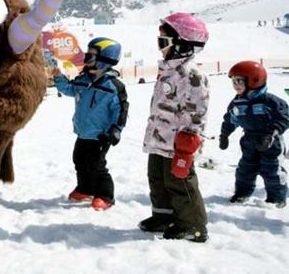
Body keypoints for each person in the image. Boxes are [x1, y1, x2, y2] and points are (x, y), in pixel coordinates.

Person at [139, 13, 210, 242]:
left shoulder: (192, 75)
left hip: (178, 143)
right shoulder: (168, 70)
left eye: (164, 42)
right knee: (157, 179)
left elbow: (197, 112)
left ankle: (193, 225)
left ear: (182, 45)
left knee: (180, 183)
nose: (160, 48)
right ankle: (163, 216)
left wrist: (187, 144)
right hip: (160, 138)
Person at [53, 37, 128, 211]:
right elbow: (69, 89)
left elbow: (121, 110)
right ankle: (85, 188)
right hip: (83, 132)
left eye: (90, 56)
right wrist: (59, 78)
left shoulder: (113, 86)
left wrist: (116, 130)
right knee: (79, 160)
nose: (86, 59)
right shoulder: (83, 80)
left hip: (101, 135)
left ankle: (105, 195)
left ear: (104, 60)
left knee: (96, 165)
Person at [218, 61, 288, 208]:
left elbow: (284, 117)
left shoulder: (270, 101)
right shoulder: (237, 102)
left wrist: (271, 133)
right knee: (245, 168)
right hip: (248, 140)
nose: (235, 85)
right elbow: (230, 119)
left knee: (272, 169)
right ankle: (242, 193)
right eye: (233, 81)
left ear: (254, 80)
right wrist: (224, 135)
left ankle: (276, 198)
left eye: (239, 81)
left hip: (270, 141)